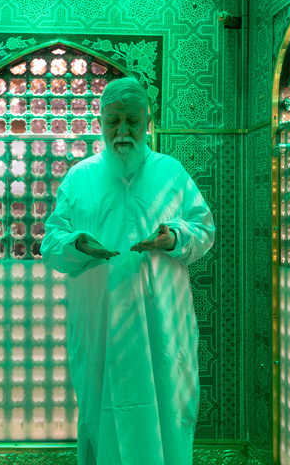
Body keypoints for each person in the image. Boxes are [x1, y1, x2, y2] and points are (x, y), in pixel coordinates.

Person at [40, 77, 215, 465]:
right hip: (99, 327)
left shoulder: (171, 172)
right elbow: (50, 243)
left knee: (167, 415)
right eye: (113, 120)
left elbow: (205, 230)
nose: (122, 131)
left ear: (147, 121)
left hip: (162, 328)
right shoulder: (80, 177)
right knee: (101, 422)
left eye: (131, 121)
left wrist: (174, 236)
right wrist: (78, 244)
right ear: (101, 122)